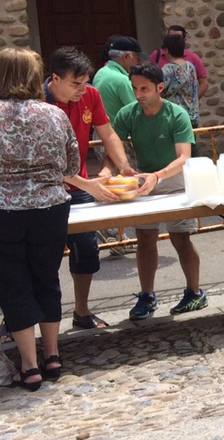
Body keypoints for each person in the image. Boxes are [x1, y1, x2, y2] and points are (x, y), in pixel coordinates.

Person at [0, 48, 77, 389]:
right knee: (46, 278)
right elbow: (72, 166)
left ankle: (30, 364)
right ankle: (53, 355)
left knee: (13, 283)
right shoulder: (55, 115)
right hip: (49, 209)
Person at [44, 46, 137, 330]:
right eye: (75, 84)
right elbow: (49, 162)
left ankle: (81, 312)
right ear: (54, 79)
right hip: (44, 191)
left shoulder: (91, 95)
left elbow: (107, 133)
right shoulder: (39, 104)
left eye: (85, 83)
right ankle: (41, 320)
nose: (81, 90)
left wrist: (124, 166)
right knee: (43, 257)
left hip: (80, 186)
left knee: (86, 249)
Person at [110, 64, 206, 320]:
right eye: (135, 89)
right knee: (145, 239)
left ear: (159, 88)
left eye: (144, 88)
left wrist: (158, 176)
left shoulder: (177, 114)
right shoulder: (127, 114)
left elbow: (184, 156)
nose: (138, 94)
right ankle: (147, 294)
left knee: (181, 238)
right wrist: (119, 167)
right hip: (144, 181)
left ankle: (195, 292)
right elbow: (112, 141)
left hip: (172, 180)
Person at [158, 30, 203, 130]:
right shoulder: (190, 67)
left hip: (174, 119)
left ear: (166, 50)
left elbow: (158, 92)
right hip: (192, 118)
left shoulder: (167, 70)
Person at [149, 25, 209, 97]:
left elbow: (203, 83)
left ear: (183, 40)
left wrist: (194, 100)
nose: (174, 42)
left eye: (177, 39)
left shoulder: (192, 59)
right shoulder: (156, 55)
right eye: (171, 38)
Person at [93, 35, 140, 121]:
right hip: (118, 133)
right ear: (127, 57)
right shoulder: (122, 80)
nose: (138, 62)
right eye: (137, 57)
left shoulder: (100, 72)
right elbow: (139, 113)